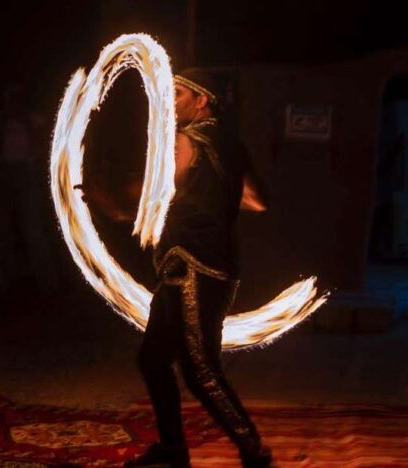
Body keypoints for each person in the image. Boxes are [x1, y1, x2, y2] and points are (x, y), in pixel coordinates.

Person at [123, 70, 270, 468]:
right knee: (153, 358)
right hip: (202, 262)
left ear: (202, 101)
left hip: (194, 264)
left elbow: (162, 185)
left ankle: (254, 451)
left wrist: (116, 196)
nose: (170, 101)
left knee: (199, 369)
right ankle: (173, 449)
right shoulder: (232, 145)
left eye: (179, 93)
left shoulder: (187, 139)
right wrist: (212, 195)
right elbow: (256, 200)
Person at [0, 84, 59, 297]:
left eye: (16, 99)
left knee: (33, 229)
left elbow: (42, 143)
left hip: (26, 173)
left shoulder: (34, 119)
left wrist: (25, 123)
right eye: (9, 99)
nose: (12, 103)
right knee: (2, 231)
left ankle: (47, 284)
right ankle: (6, 285)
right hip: (1, 173)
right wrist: (4, 122)